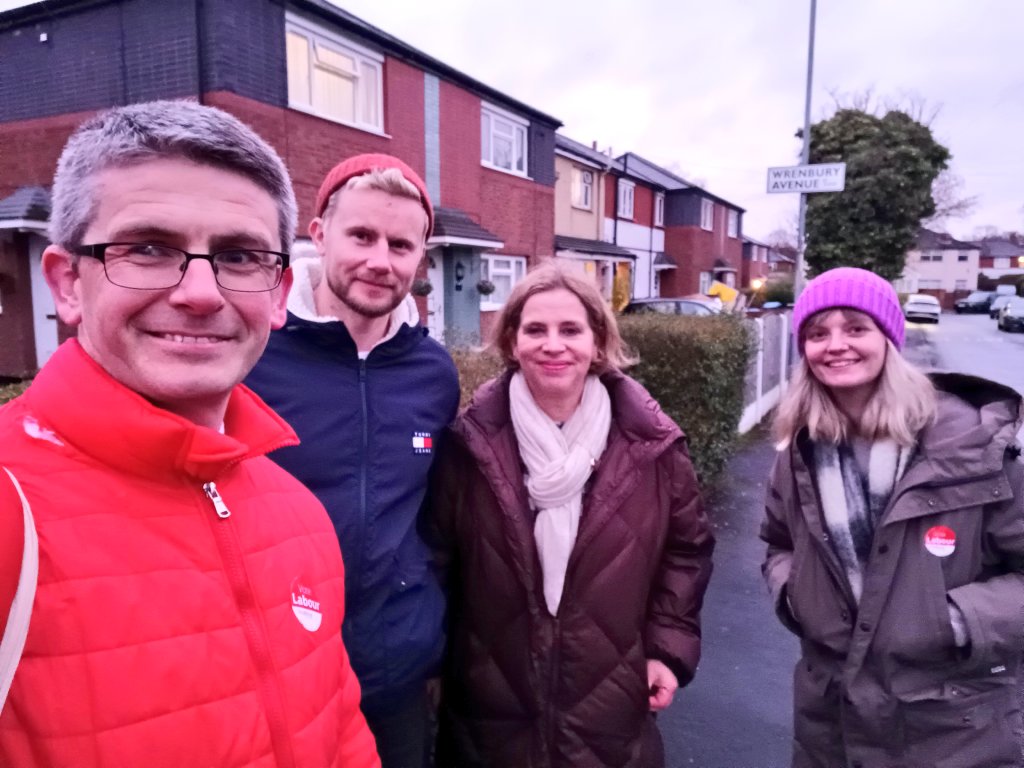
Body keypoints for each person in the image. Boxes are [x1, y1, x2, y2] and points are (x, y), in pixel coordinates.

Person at [0, 101, 379, 768]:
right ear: (66, 283)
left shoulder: (298, 511)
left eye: (238, 256)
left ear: (277, 292)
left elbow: (342, 732)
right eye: (149, 248)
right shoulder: (10, 508)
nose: (201, 292)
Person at [429, 262, 714, 767]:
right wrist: (430, 665)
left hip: (611, 709)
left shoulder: (653, 446)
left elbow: (685, 550)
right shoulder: (469, 444)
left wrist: (667, 648)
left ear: (598, 342)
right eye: (535, 330)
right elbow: (437, 557)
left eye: (570, 330)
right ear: (513, 343)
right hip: (490, 711)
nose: (553, 345)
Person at [760, 267, 1024, 768]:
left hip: (950, 725)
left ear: (888, 338)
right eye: (818, 333)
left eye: (856, 327)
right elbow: (777, 543)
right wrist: (797, 596)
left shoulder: (973, 448)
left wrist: (952, 621)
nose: (835, 345)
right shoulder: (796, 454)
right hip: (831, 717)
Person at [246, 153, 459, 767]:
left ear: (420, 257)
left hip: (393, 672)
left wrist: (433, 646)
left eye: (400, 244)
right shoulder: (254, 351)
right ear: (318, 234)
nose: (379, 260)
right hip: (274, 672)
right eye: (361, 235)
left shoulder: (433, 373)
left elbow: (433, 517)